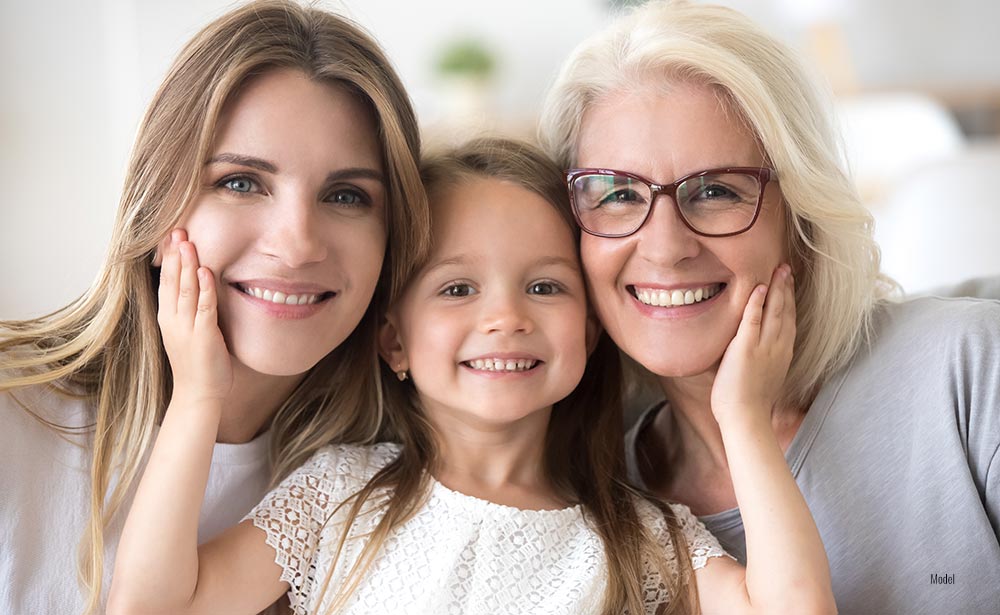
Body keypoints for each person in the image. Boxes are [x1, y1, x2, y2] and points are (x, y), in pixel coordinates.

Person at [107, 137, 834, 614]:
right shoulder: (338, 495)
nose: (506, 317)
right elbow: (149, 607)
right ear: (394, 340)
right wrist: (200, 395)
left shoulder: (643, 537)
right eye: (457, 289)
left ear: (589, 330)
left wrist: (742, 415)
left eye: (545, 287)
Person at [538, 1, 1000, 613]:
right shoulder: (594, 503)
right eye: (617, 194)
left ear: (801, 216)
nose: (666, 247)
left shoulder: (968, 369)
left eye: (716, 191)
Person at [0, 2, 429, 612]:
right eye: (241, 182)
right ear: (156, 204)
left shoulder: (384, 480)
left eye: (346, 195)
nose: (297, 243)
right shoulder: (14, 413)